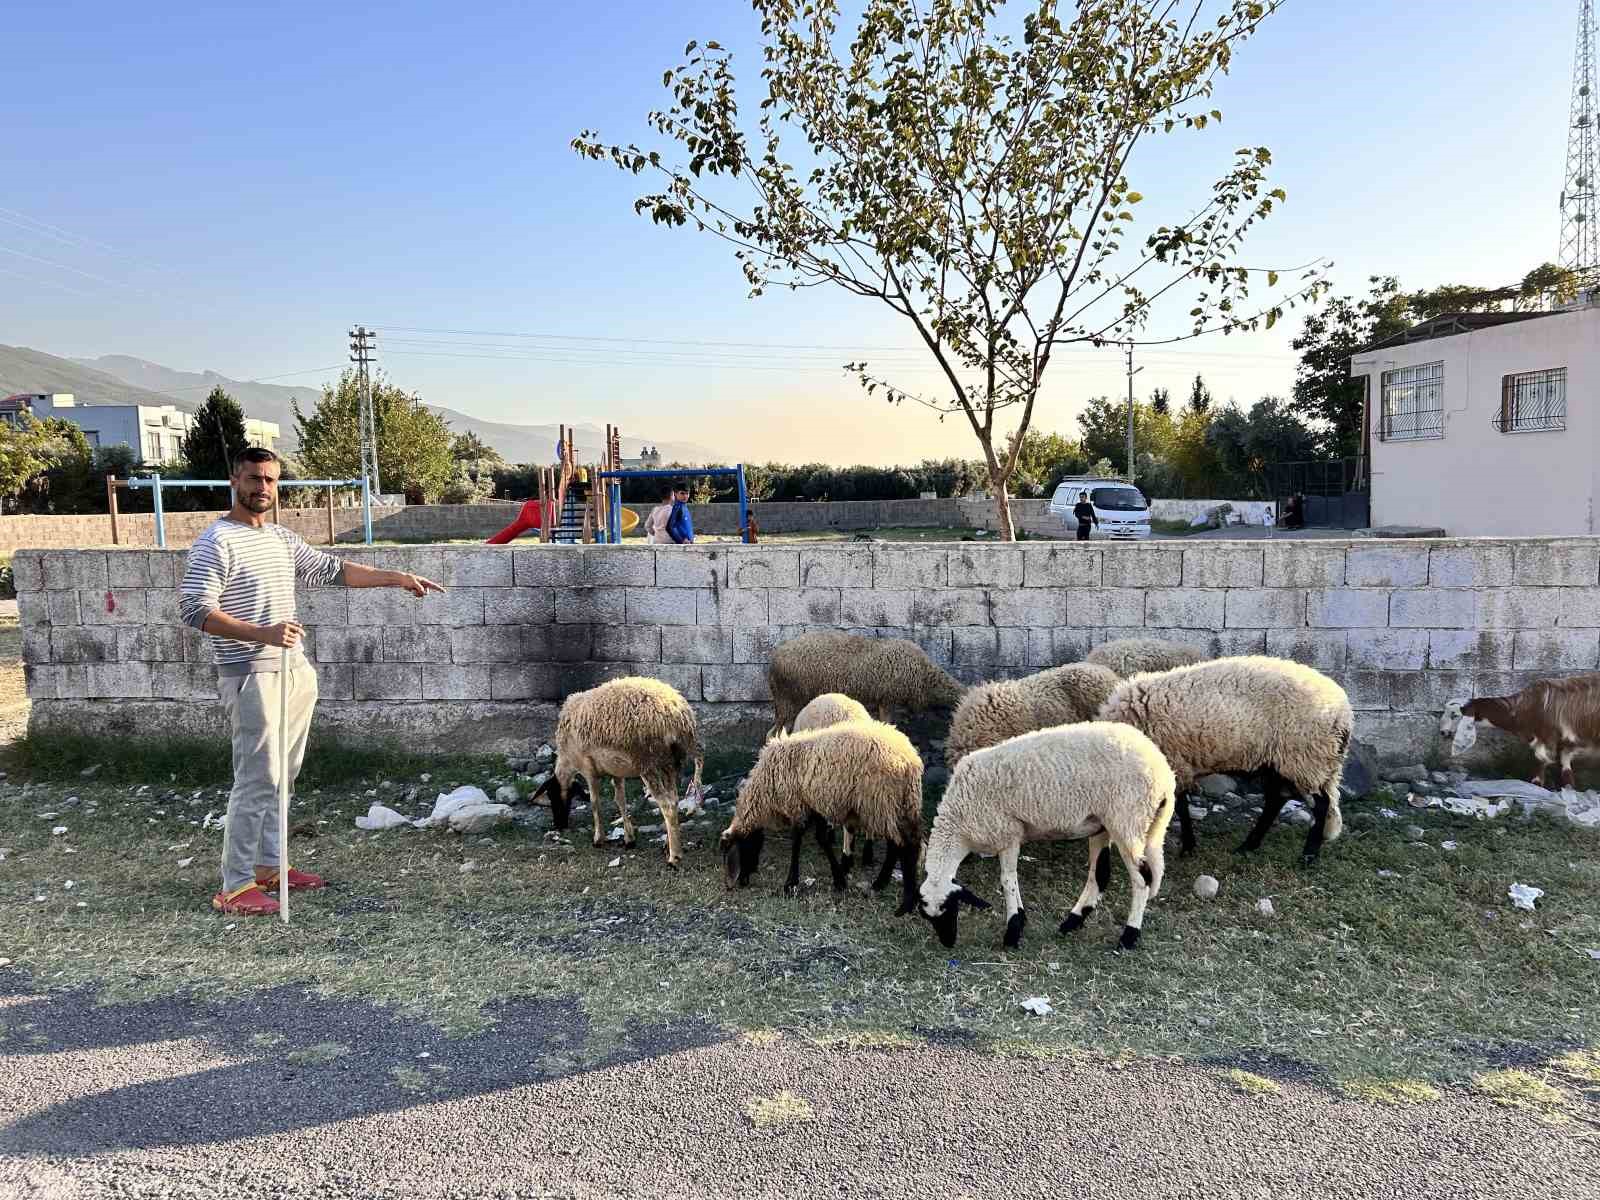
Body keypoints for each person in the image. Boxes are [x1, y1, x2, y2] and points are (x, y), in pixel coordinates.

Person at [178, 448, 445, 917]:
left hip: (294, 669)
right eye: (254, 479)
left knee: (285, 777)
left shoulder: (281, 538)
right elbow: (196, 610)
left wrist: (396, 577)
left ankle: (271, 868)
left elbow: (332, 569)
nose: (263, 488)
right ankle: (235, 886)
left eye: (271, 480)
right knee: (258, 778)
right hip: (251, 673)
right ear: (234, 480)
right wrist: (261, 633)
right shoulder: (216, 541)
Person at [666, 480, 695, 545]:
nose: (685, 496)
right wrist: (681, 540)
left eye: (687, 493)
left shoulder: (684, 507)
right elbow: (670, 527)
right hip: (683, 547)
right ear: (675, 494)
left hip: (690, 545)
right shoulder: (677, 507)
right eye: (682, 493)